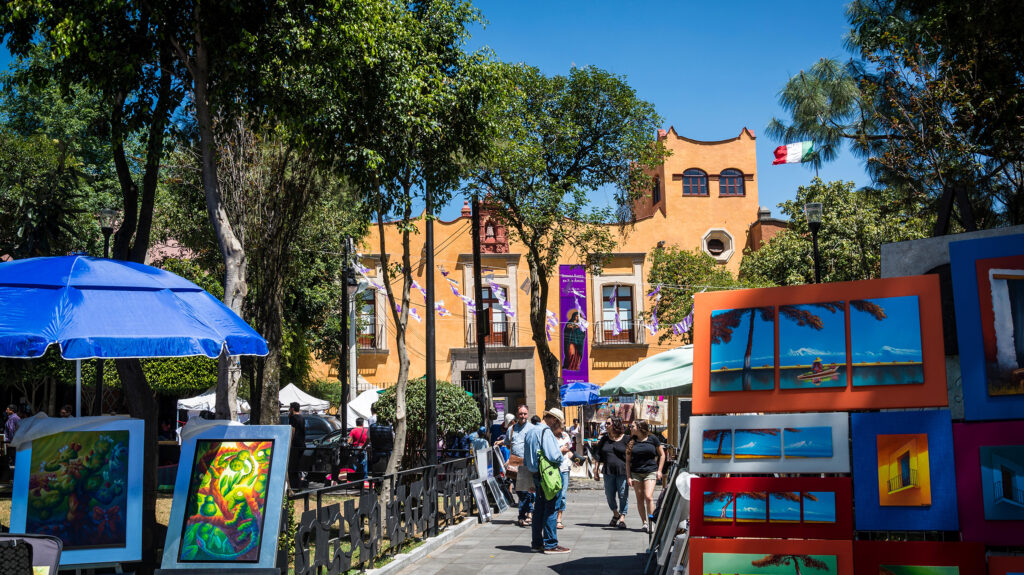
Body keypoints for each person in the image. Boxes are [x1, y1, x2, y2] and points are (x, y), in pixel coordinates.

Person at [524, 407, 569, 554]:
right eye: (559, 423)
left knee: (538, 510)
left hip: (536, 474)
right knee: (551, 509)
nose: (559, 426)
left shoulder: (530, 431)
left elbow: (527, 458)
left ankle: (537, 543)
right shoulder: (546, 432)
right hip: (548, 475)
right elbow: (554, 456)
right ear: (554, 420)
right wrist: (561, 452)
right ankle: (550, 543)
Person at [625, 420, 666, 533]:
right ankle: (644, 522)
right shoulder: (631, 441)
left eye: (632, 426)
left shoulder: (653, 439)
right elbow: (627, 461)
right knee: (639, 498)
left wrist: (659, 470)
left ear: (639, 427)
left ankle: (651, 522)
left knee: (648, 497)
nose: (630, 428)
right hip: (636, 473)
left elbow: (662, 455)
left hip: (650, 471)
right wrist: (628, 476)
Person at [594, 417, 630, 529]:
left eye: (608, 423)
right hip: (608, 471)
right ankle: (615, 514)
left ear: (615, 425)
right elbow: (598, 455)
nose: (606, 425)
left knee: (623, 494)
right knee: (609, 495)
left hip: (623, 471)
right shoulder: (604, 439)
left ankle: (622, 518)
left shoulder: (626, 439)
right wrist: (596, 470)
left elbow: (631, 456)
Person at [506, 404, 535, 528]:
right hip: (514, 464)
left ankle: (522, 516)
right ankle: (530, 511)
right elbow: (508, 444)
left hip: (527, 463)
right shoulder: (511, 429)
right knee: (520, 491)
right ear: (517, 415)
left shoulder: (532, 428)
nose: (523, 416)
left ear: (527, 414)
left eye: (525, 414)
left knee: (524, 491)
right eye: (520, 414)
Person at [553, 417, 574, 530]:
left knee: (563, 494)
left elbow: (569, 450)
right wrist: (560, 450)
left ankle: (559, 518)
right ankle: (552, 516)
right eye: (562, 423)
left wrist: (576, 459)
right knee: (554, 493)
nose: (564, 425)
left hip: (565, 468)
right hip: (554, 468)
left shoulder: (565, 436)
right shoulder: (550, 436)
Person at [288, 402, 306, 488]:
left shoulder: (293, 418)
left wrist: (290, 442)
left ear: (292, 409)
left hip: (295, 443)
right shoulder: (302, 417)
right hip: (302, 443)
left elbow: (292, 430)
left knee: (293, 464)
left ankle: (294, 484)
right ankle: (301, 481)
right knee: (299, 463)